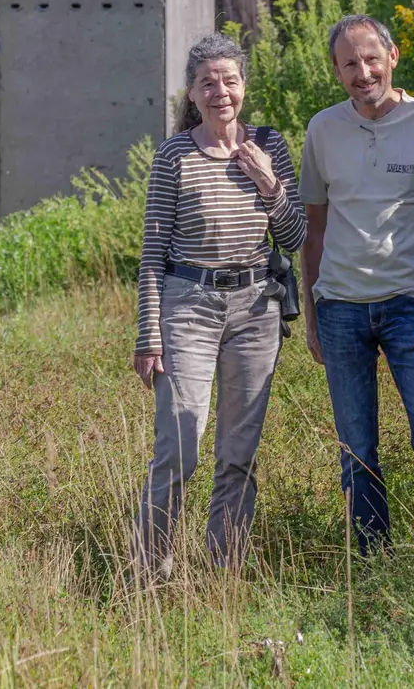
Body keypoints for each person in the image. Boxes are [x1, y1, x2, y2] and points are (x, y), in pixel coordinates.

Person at [131, 33, 307, 580]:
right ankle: (148, 571)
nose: (220, 91)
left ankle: (222, 571)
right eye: (208, 82)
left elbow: (296, 235)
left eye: (229, 80)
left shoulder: (270, 147)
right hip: (189, 304)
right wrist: (148, 333)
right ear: (192, 91)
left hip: (257, 309)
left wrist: (268, 182)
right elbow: (153, 250)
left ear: (244, 86)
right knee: (180, 445)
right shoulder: (174, 153)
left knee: (238, 452)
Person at [299, 14, 414, 554]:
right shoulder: (322, 130)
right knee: (357, 447)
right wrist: (313, 311)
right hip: (341, 308)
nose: (362, 71)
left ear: (392, 57)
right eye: (350, 63)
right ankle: (371, 559)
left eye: (371, 58)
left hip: (412, 307)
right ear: (336, 71)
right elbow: (314, 230)